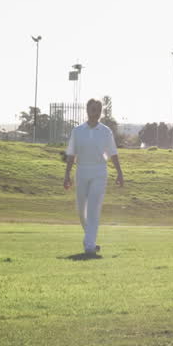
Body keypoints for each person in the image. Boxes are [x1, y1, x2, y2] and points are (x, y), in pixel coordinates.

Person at [63, 98, 124, 255]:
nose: (95, 112)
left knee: (93, 209)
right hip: (81, 171)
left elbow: (113, 153)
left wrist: (119, 173)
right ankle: (90, 239)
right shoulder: (77, 131)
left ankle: (89, 246)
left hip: (99, 172)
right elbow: (71, 154)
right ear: (87, 110)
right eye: (92, 109)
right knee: (80, 210)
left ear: (100, 112)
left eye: (98, 109)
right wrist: (67, 175)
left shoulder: (106, 132)